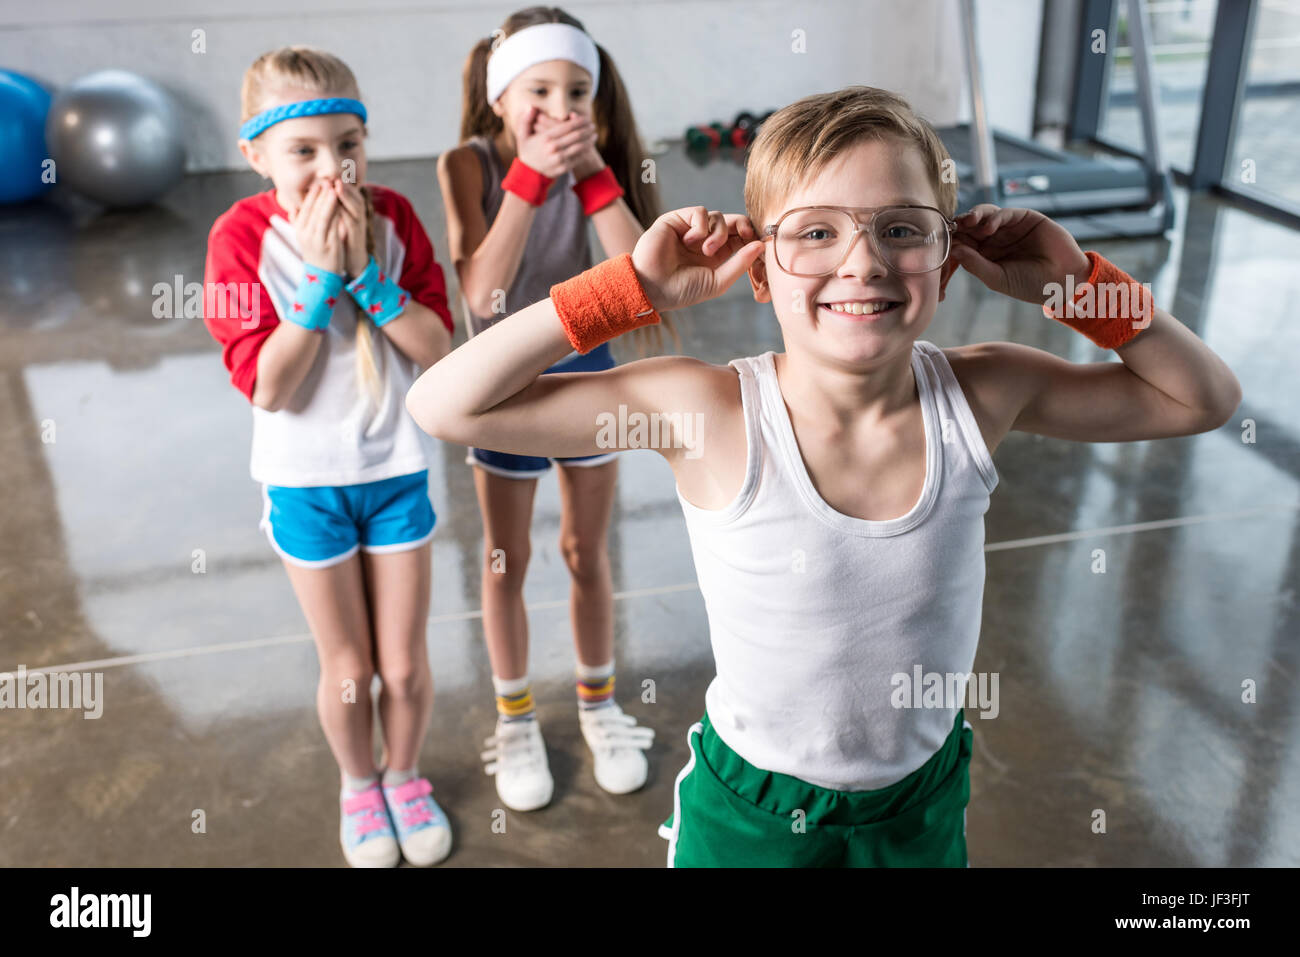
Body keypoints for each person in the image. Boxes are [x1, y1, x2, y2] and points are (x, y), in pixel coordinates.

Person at [405, 85, 1241, 866]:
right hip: (750, 814)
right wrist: (628, 289)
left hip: (918, 803)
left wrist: (1077, 287)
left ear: (947, 262)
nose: (863, 262)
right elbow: (448, 405)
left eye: (902, 228)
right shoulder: (707, 410)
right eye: (815, 231)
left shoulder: (982, 392)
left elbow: (1201, 398)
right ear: (760, 271)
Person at [203, 46, 455, 867]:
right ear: (256, 155)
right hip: (306, 484)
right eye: (304, 151)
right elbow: (268, 387)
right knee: (349, 667)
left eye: (348, 144)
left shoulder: (394, 218)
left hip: (395, 472)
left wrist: (369, 280)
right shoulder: (238, 238)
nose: (331, 168)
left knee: (406, 667)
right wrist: (318, 279)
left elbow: (437, 348)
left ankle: (405, 774)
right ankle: (359, 785)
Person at [437, 6, 668, 811]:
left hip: (589, 373)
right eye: (538, 90)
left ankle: (599, 703)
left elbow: (639, 288)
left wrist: (593, 178)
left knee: (584, 551)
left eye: (577, 91)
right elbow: (484, 295)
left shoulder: (599, 163)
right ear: (501, 97)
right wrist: (529, 179)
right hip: (505, 381)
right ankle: (515, 716)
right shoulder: (465, 163)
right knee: (507, 559)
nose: (560, 109)